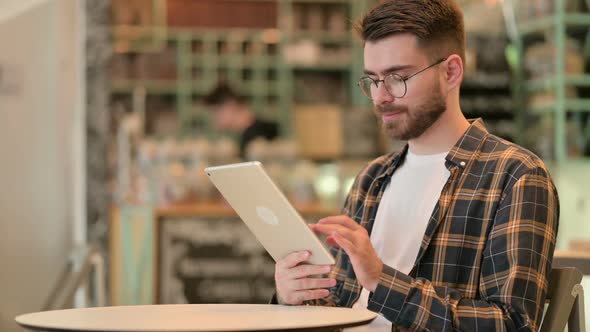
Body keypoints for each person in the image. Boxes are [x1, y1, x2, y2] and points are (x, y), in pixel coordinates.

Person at [272, 1, 559, 331]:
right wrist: (294, 295)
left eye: (397, 77)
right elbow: (340, 306)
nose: (380, 97)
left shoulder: (515, 175)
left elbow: (513, 324)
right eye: (373, 80)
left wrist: (381, 280)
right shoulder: (371, 178)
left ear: (450, 72)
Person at [204, 83, 279, 158]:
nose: (213, 118)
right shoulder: (249, 134)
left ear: (230, 105)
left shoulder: (259, 136)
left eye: (215, 111)